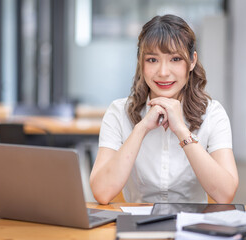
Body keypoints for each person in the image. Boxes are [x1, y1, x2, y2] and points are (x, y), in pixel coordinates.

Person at [90, 14, 238, 204]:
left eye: (175, 59)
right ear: (140, 62)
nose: (163, 72)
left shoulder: (213, 113)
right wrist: (141, 128)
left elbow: (225, 194)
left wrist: (182, 131)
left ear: (192, 61)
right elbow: (102, 192)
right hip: (137, 227)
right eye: (152, 60)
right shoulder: (118, 112)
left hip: (191, 226)